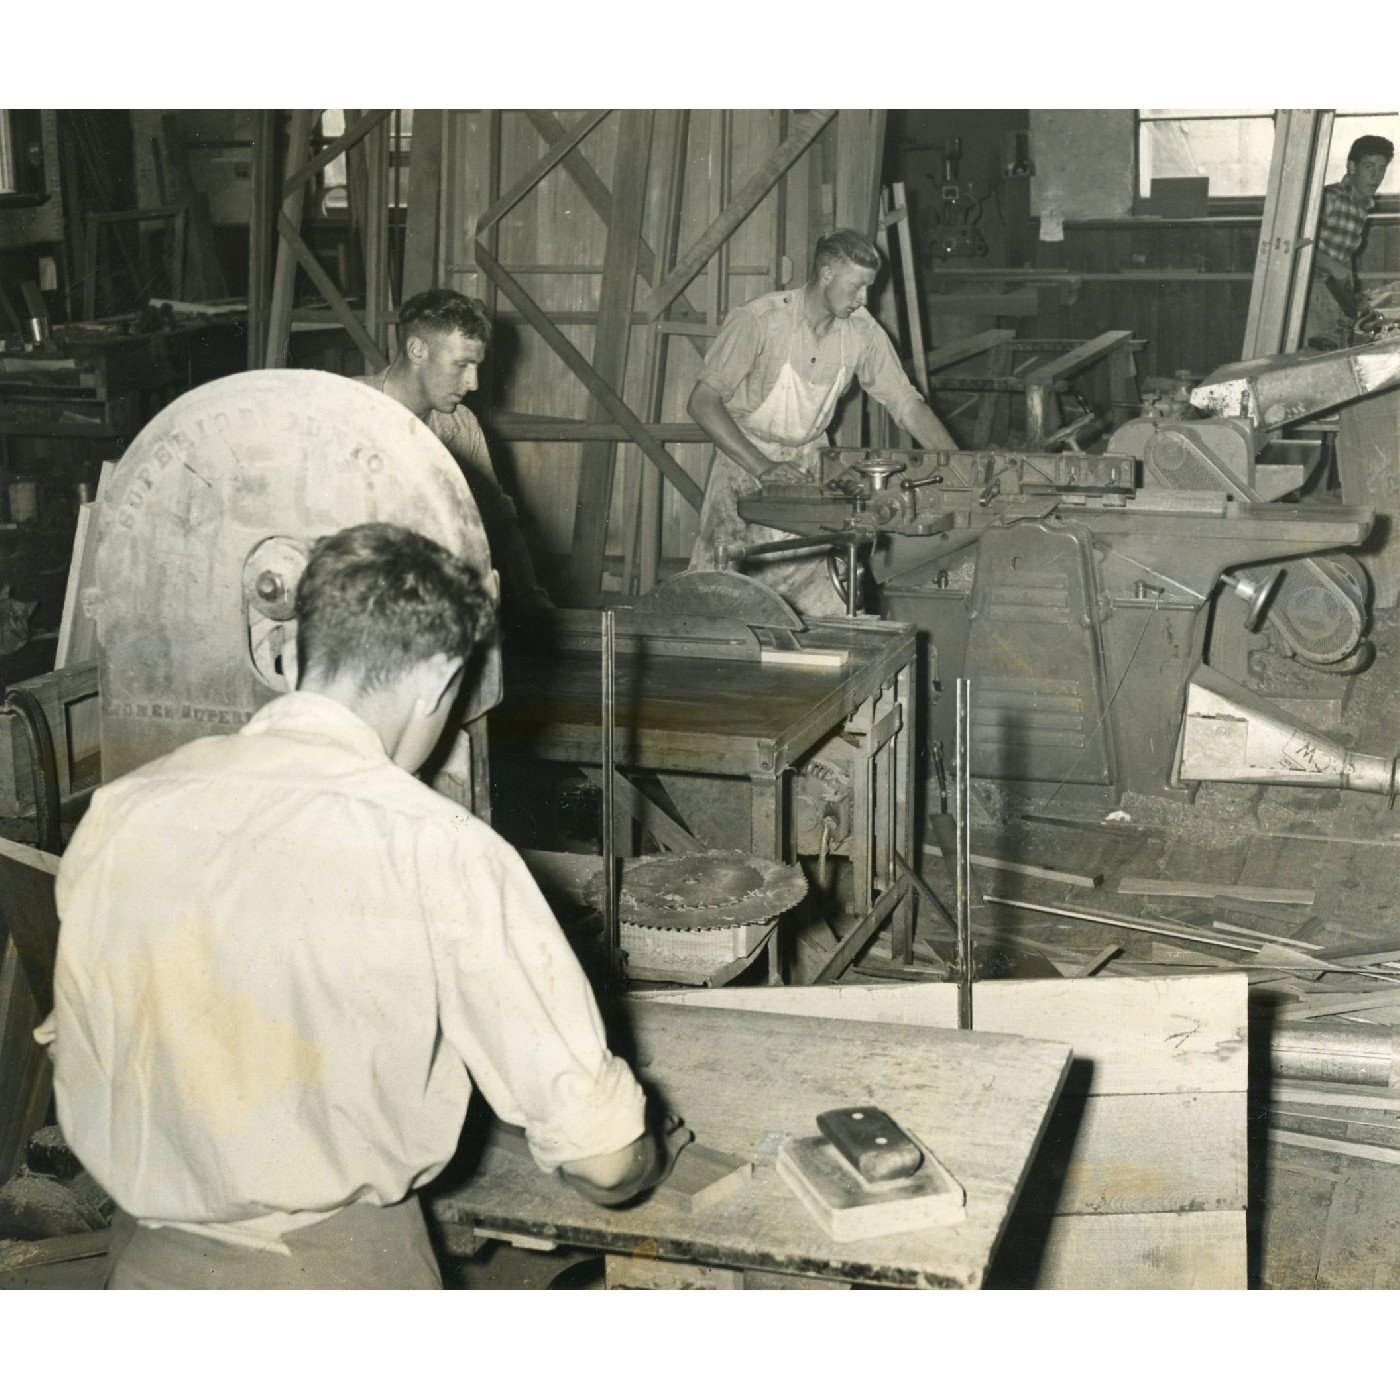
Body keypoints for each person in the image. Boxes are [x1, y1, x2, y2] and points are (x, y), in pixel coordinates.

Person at [38, 522, 660, 1288]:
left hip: (142, 1272)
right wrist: (640, 1158)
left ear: (293, 652)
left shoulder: (122, 813)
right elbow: (602, 1160)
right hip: (332, 1280)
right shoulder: (437, 846)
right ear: (438, 678)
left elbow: (87, 1039)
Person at [686, 228, 957, 614]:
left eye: (870, 288)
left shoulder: (862, 332)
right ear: (826, 273)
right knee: (721, 590)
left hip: (810, 465)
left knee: (818, 591)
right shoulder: (761, 320)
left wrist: (956, 461)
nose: (865, 299)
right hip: (744, 468)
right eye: (857, 287)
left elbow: (905, 402)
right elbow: (702, 404)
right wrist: (764, 468)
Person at [358, 289, 552, 616]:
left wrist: (533, 598)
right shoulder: (346, 409)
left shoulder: (460, 426)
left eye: (476, 366)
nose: (473, 383)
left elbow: (499, 519)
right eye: (461, 365)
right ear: (418, 350)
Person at [1306, 134, 1393, 349]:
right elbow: (1300, 246)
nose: (1376, 176)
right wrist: (1333, 267)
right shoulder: (1330, 198)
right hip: (1309, 294)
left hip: (1331, 294)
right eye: (1369, 167)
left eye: (1382, 169)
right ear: (1351, 167)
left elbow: (1344, 259)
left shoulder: (1360, 207)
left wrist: (1358, 300)